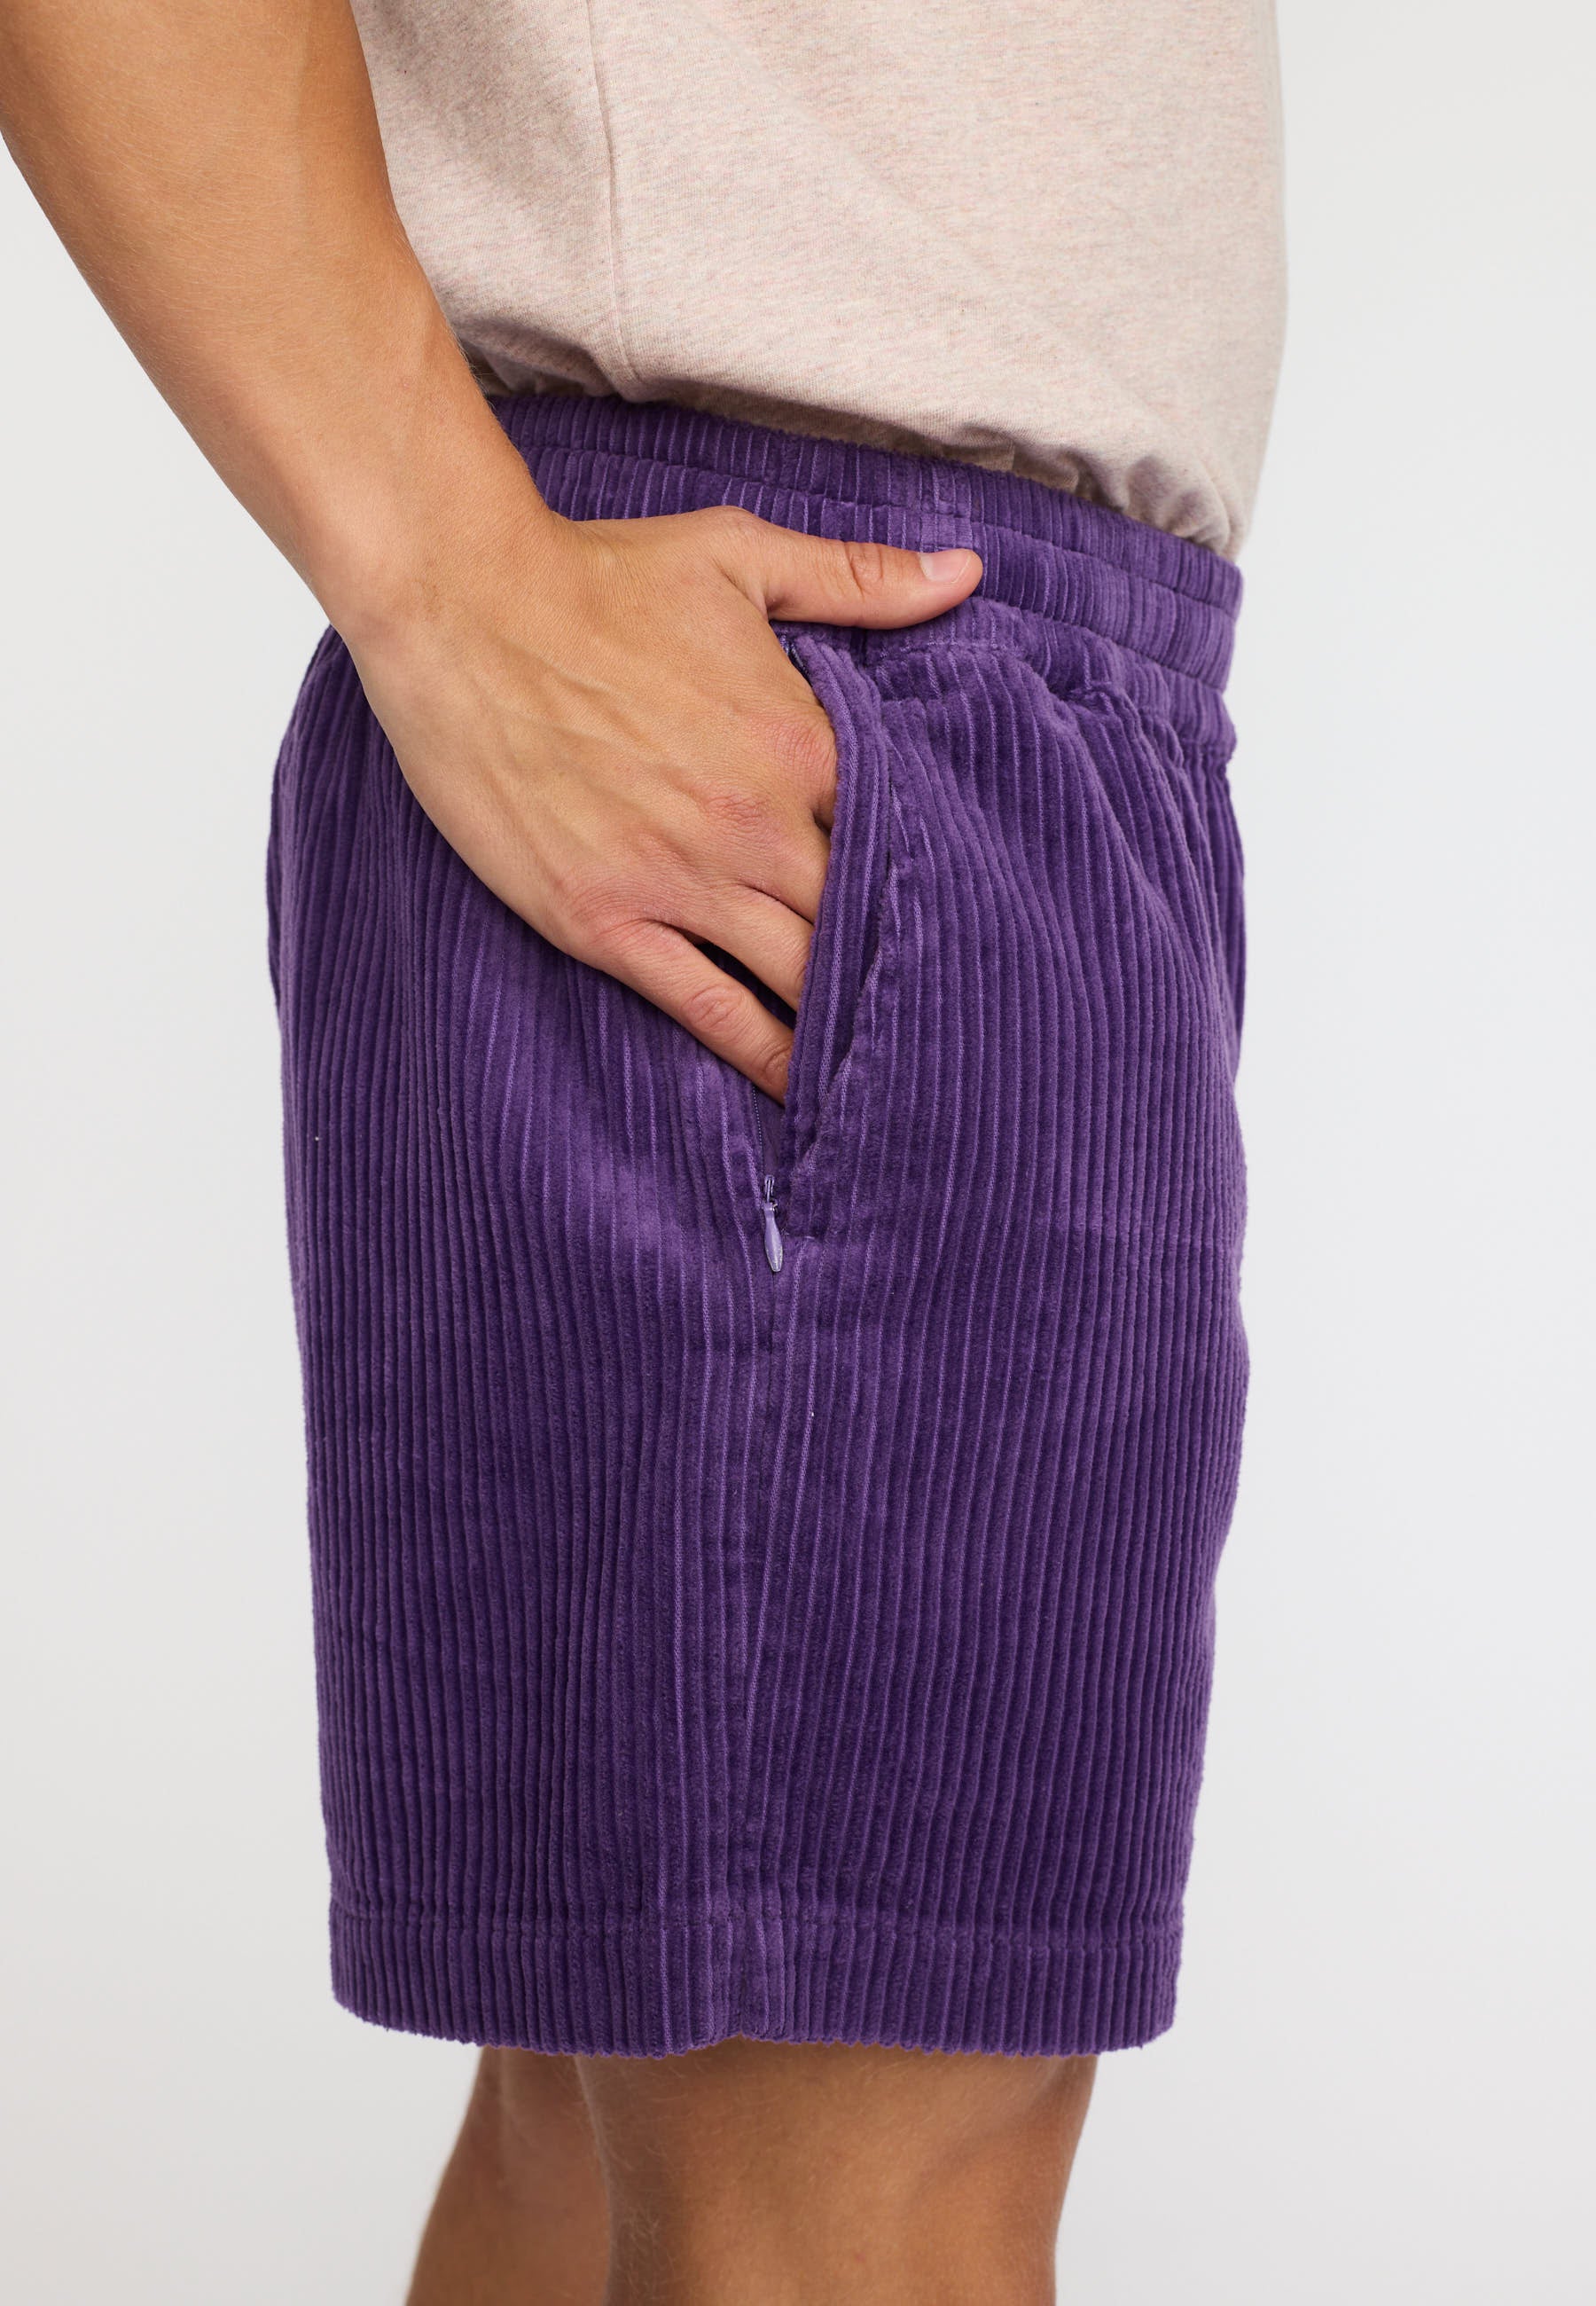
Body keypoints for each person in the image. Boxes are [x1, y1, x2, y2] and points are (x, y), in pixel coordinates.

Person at [0, 1, 1285, 2296]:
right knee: (865, 2175)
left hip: (887, 702)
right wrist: (442, 571)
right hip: (803, 706)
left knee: (618, 2123)